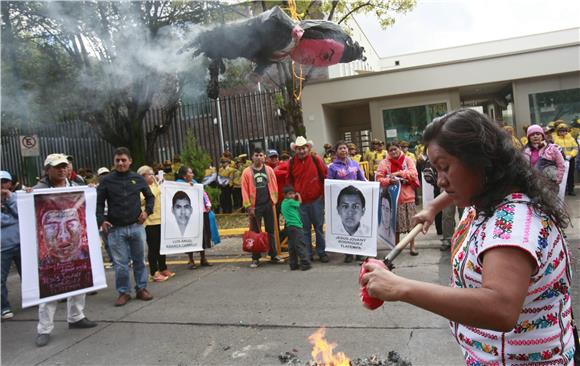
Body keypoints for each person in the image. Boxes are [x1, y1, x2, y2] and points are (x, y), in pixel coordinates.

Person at [361, 109, 575, 365]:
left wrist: (401, 287)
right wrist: (432, 208)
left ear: (480, 161)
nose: (440, 181)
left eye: (445, 168)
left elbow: (500, 308)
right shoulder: (487, 194)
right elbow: (455, 189)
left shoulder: (513, 227)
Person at [31, 154, 97, 347]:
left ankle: (76, 317)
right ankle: (44, 328)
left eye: (64, 166)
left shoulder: (76, 185)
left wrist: (91, 191)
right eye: (56, 167)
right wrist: (25, 196)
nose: (61, 170)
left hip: (76, 248)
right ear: (47, 170)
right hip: (49, 253)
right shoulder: (37, 192)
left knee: (79, 281)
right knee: (49, 289)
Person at [97, 147, 154, 307]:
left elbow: (150, 197)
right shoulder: (106, 181)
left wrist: (146, 212)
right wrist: (101, 220)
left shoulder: (137, 178)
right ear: (114, 162)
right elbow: (99, 203)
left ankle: (141, 289)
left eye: (123, 160)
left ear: (130, 161)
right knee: (121, 264)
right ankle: (123, 292)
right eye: (117, 160)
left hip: (136, 226)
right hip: (115, 229)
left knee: (140, 261)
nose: (121, 163)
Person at [287, 136, 329, 263]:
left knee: (318, 228)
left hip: (317, 199)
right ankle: (308, 253)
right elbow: (289, 180)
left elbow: (325, 176)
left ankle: (322, 252)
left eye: (303, 148)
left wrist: (323, 194)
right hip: (300, 202)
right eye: (299, 149)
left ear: (308, 148)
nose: (301, 151)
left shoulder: (316, 159)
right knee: (304, 229)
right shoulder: (292, 162)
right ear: (296, 150)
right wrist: (292, 197)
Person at [375, 141, 420, 256]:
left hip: (409, 197)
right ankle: (396, 247)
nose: (393, 152)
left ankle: (412, 246)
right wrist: (389, 180)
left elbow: (414, 174)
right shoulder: (384, 163)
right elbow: (378, 179)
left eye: (395, 149)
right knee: (396, 226)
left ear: (400, 148)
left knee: (411, 224)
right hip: (393, 198)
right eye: (391, 150)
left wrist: (399, 173)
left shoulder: (408, 160)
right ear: (388, 152)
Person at [241, 147, 283, 268]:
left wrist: (273, 200)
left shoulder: (269, 170)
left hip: (268, 204)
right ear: (252, 157)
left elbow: (274, 185)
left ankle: (273, 254)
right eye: (256, 155)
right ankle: (255, 258)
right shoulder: (246, 172)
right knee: (255, 232)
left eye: (261, 155)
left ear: (264, 157)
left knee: (271, 230)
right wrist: (248, 206)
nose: (258, 157)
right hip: (255, 207)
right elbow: (244, 190)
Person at [327, 140, 366, 262]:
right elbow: (329, 184)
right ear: (336, 151)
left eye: (345, 148)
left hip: (356, 201)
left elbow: (362, 179)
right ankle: (348, 253)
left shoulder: (355, 164)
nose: (343, 150)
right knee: (345, 225)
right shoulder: (332, 167)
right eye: (340, 148)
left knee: (357, 224)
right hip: (343, 202)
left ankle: (359, 252)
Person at [137, 165, 174, 283]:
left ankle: (163, 268)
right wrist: (159, 188)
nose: (153, 176)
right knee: (153, 248)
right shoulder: (141, 188)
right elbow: (143, 199)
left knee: (161, 247)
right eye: (150, 174)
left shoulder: (155, 185)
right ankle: (154, 272)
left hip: (160, 220)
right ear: (143, 176)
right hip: (150, 222)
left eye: (153, 174)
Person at [175, 165, 212, 268]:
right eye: (190, 172)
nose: (192, 174)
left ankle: (203, 258)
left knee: (202, 235)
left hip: (201, 212)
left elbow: (203, 193)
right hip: (189, 215)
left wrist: (207, 203)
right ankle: (191, 260)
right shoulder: (178, 185)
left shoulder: (195, 183)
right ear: (184, 175)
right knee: (190, 236)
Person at [1, 171, 21, 320]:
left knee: (28, 275)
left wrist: (9, 200)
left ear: (10, 183)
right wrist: (13, 220)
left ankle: (33, 299)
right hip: (2, 247)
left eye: (5, 181)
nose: (2, 185)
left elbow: (22, 214)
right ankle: (4, 307)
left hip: (20, 244)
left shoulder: (15, 197)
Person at [522, 125, 565, 193]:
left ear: (542, 136)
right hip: (533, 184)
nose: (535, 136)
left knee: (549, 202)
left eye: (538, 134)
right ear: (529, 137)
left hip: (550, 183)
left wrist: (558, 178)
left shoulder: (552, 148)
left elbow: (561, 165)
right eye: (532, 135)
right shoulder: (525, 151)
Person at [280, 186, 310, 271]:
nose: (292, 195)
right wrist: (298, 195)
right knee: (300, 245)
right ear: (285, 195)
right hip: (296, 226)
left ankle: (293, 264)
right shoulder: (290, 202)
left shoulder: (283, 203)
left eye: (293, 193)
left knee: (292, 246)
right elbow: (299, 202)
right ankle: (305, 263)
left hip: (289, 226)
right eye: (290, 194)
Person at [552, 122, 578, 196]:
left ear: (566, 131)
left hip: (571, 159)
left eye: (564, 131)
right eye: (560, 131)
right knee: (561, 174)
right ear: (558, 132)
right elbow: (555, 150)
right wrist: (562, 156)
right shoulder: (556, 140)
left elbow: (575, 148)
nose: (562, 132)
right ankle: (563, 189)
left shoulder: (571, 139)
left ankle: (571, 189)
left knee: (571, 174)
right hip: (560, 160)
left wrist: (571, 155)